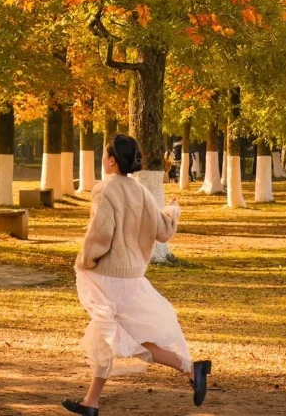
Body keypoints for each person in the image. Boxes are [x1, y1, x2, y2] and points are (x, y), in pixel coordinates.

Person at [62, 133, 211, 415]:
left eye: (105, 155)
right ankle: (90, 403)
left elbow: (101, 233)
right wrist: (173, 210)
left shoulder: (105, 190)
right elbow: (163, 231)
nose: (103, 160)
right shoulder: (141, 191)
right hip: (132, 279)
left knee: (128, 339)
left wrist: (86, 259)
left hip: (108, 278)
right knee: (105, 334)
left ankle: (193, 369)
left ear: (112, 160)